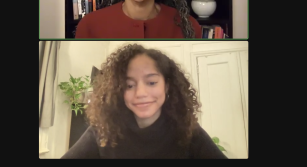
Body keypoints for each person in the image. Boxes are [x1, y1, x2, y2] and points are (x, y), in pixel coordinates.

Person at [61, 44, 227, 159]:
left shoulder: (188, 131)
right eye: (129, 85)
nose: (140, 93)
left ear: (167, 86)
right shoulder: (103, 130)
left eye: (152, 82)